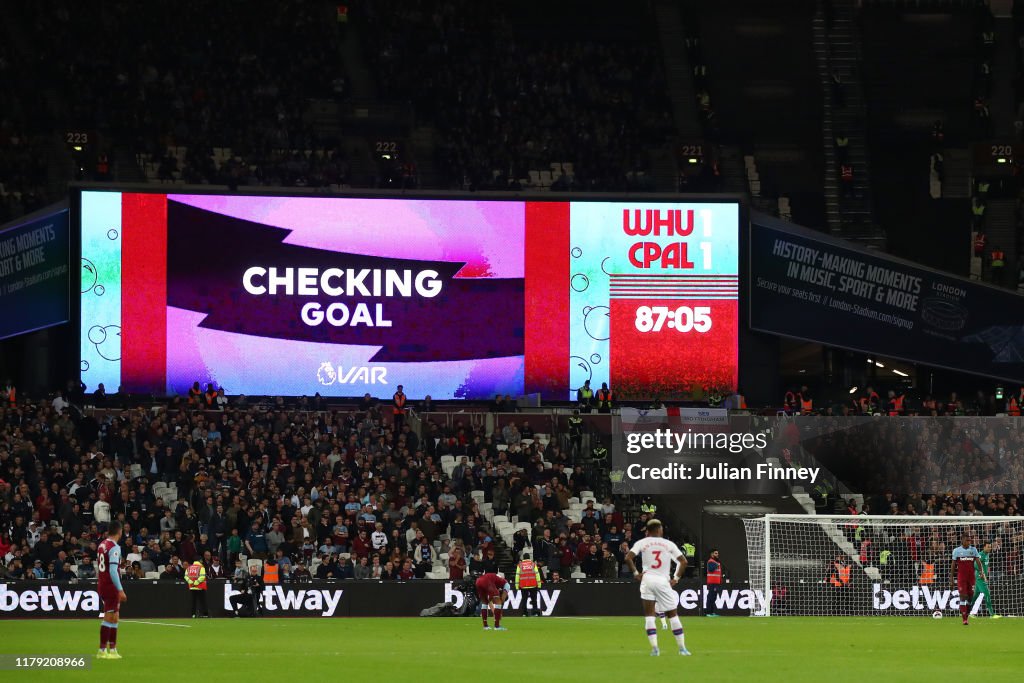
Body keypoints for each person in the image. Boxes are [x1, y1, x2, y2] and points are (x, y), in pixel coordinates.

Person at [623, 519, 690, 656]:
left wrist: (636, 574)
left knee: (649, 616)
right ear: (660, 530)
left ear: (647, 531)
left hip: (647, 580)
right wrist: (676, 579)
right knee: (672, 615)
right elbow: (683, 562)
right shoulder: (668, 544)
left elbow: (628, 558)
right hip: (662, 580)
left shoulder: (642, 542)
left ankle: (655, 649)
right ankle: (682, 648)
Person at [96, 520, 127, 660]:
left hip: (102, 584)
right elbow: (113, 571)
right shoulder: (114, 547)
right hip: (111, 586)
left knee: (115, 617)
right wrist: (120, 589)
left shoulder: (102, 544)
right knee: (109, 617)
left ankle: (113, 649)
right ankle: (102, 650)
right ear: (119, 532)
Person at [951, 534, 986, 626]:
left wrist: (982, 572)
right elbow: (953, 565)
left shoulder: (973, 550)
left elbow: (978, 562)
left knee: (970, 598)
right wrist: (951, 579)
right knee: (963, 596)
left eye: (970, 540)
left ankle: (965, 614)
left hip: (971, 578)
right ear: (962, 540)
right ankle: (964, 619)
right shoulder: (956, 551)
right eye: (967, 540)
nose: (969, 542)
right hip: (961, 577)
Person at [515, 552, 542, 617]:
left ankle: (524, 613)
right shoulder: (533, 564)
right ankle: (535, 612)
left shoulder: (520, 565)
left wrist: (516, 585)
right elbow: (537, 574)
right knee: (534, 599)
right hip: (533, 584)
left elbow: (517, 575)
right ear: (529, 558)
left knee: (524, 600)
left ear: (523, 558)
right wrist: (539, 584)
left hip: (523, 585)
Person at [976, 541, 998, 618]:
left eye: (990, 547)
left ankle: (966, 612)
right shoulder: (980, 555)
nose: (990, 548)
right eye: (988, 547)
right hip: (980, 577)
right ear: (984, 547)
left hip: (982, 577)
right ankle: (992, 614)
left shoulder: (987, 554)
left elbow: (985, 566)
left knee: (975, 596)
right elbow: (975, 565)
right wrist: (982, 574)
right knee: (987, 593)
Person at [705, 548, 722, 617]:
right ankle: (708, 612)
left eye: (717, 553)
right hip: (712, 583)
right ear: (712, 554)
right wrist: (716, 565)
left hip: (716, 583)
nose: (717, 554)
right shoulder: (711, 561)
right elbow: (711, 570)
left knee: (714, 598)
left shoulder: (716, 562)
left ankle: (712, 612)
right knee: (710, 597)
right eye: (715, 553)